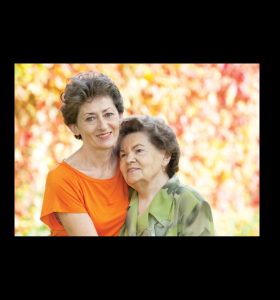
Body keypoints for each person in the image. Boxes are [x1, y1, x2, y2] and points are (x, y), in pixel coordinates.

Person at [40, 71, 130, 236]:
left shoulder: (129, 162)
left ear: (120, 117)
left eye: (108, 114)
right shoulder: (62, 178)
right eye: (90, 118)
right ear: (74, 127)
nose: (103, 126)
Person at [114, 115, 215, 236]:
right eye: (123, 155)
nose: (128, 159)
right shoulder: (123, 199)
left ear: (166, 156)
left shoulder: (190, 204)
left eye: (139, 150)